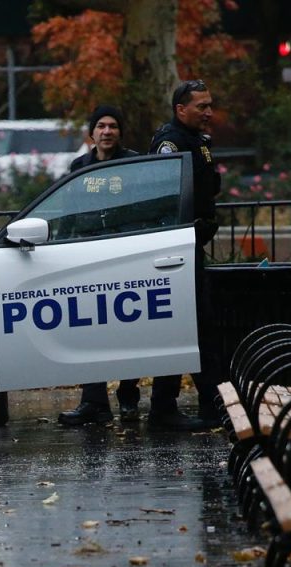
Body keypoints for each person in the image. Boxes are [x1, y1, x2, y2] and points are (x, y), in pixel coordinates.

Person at [58, 104, 144, 427]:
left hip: (126, 257)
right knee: (90, 332)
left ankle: (128, 395)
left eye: (113, 126)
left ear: (120, 132)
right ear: (91, 133)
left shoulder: (134, 164)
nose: (107, 131)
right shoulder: (79, 166)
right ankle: (93, 401)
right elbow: (68, 211)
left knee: (127, 331)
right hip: (89, 260)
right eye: (101, 126)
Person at [144, 79, 222, 432]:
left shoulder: (195, 141)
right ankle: (169, 407)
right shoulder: (170, 143)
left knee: (199, 328)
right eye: (201, 106)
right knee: (186, 329)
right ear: (181, 110)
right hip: (177, 251)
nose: (209, 112)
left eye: (210, 105)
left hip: (191, 247)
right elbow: (167, 197)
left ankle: (209, 403)